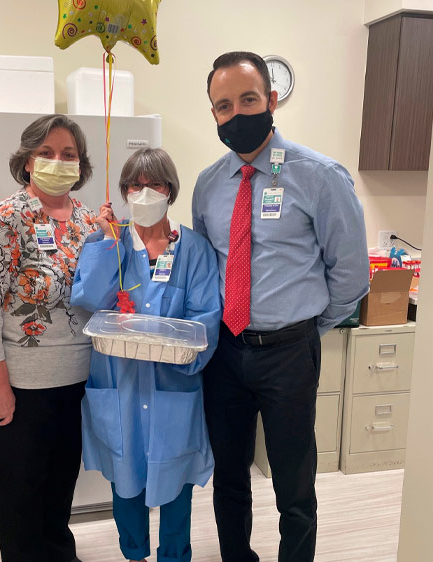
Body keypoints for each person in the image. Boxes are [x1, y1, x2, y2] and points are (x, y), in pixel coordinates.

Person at [192, 52, 369, 562]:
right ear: (215, 116)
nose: (238, 113)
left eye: (248, 99)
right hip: (224, 352)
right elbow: (207, 268)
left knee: (293, 478)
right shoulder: (207, 185)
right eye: (224, 106)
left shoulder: (320, 176)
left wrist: (307, 326)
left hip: (290, 351)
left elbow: (351, 273)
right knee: (229, 475)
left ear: (271, 100)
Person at [71, 148, 221, 562]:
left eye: (154, 183)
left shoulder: (192, 248)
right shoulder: (110, 241)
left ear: (169, 189)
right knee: (126, 482)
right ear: (123, 191)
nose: (144, 192)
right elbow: (88, 297)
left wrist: (181, 354)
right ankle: (133, 553)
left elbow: (206, 317)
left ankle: (175, 556)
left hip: (174, 389)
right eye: (135, 185)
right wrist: (104, 240)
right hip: (119, 386)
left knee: (176, 485)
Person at [0, 114, 98, 562]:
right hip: (20, 388)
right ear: (27, 160)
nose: (58, 162)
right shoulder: (6, 218)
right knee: (21, 502)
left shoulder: (84, 221)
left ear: (81, 165)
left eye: (69, 154)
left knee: (59, 494)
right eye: (47, 152)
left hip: (75, 381)